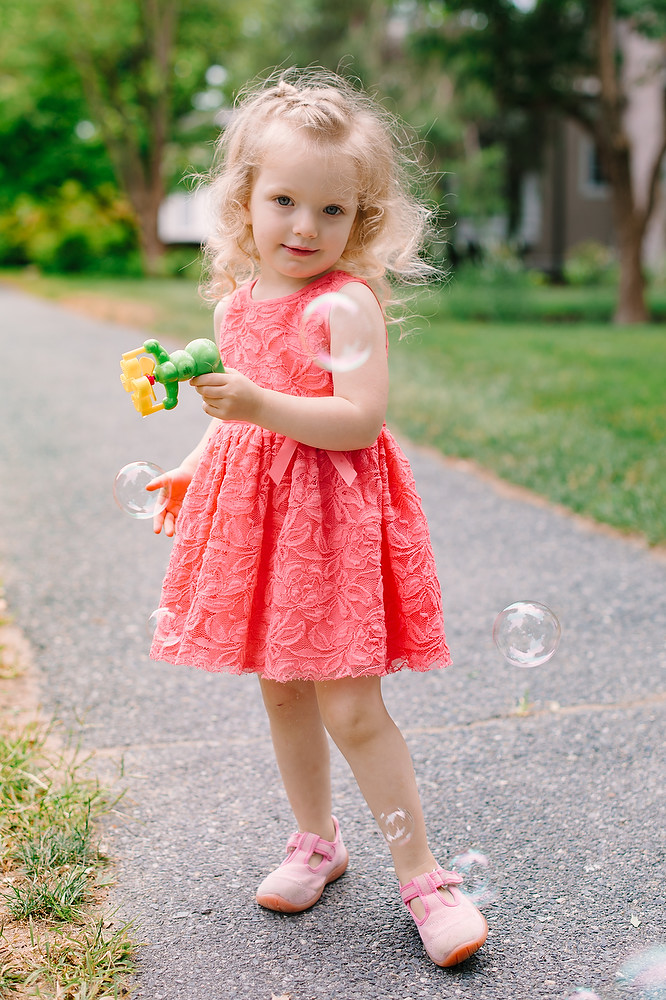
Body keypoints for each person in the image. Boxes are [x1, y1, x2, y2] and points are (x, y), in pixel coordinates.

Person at [147, 67, 488, 969]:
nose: (305, 227)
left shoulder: (345, 304)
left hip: (330, 527)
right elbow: (232, 422)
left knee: (351, 702)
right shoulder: (234, 305)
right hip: (262, 530)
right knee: (282, 688)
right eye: (285, 200)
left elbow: (358, 420)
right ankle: (316, 841)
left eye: (332, 211)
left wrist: (256, 404)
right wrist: (191, 467)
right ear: (244, 202)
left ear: (362, 220)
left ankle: (423, 878)